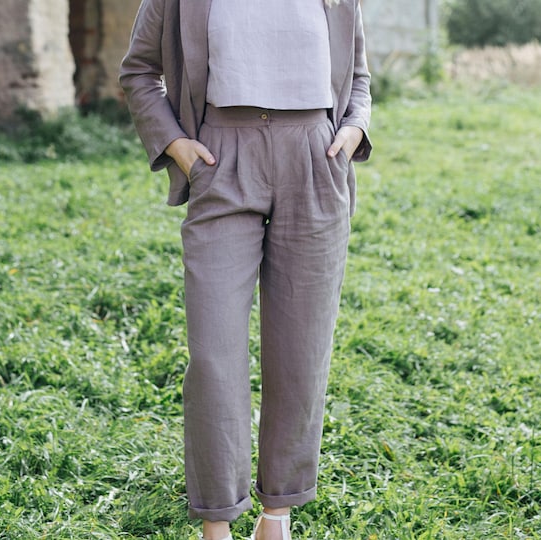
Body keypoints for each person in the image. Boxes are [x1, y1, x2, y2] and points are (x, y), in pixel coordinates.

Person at [119, 1, 372, 538]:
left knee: (301, 353)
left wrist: (353, 128)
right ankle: (217, 520)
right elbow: (139, 71)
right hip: (221, 158)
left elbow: (358, 76)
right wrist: (175, 145)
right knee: (214, 355)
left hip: (315, 158)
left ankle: (277, 514)